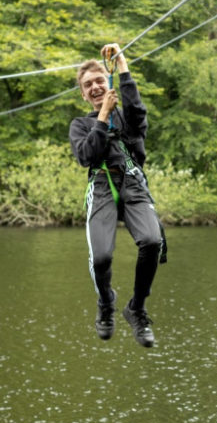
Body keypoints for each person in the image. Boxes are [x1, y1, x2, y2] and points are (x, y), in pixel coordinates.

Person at [69, 43, 167, 348]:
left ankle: (136, 308)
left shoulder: (127, 120)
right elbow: (87, 156)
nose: (95, 87)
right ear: (83, 94)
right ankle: (106, 302)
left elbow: (137, 110)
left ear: (107, 83)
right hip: (101, 186)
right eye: (88, 85)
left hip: (133, 183)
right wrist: (102, 117)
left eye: (100, 81)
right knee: (101, 257)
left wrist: (122, 65)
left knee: (152, 241)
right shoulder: (80, 125)